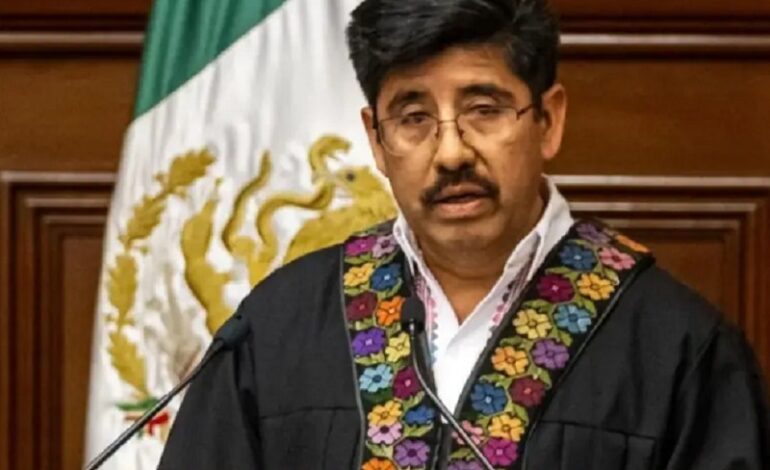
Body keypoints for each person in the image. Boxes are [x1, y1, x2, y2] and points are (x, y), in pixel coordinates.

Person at [158, 0, 770, 468]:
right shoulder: (274, 329)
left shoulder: (678, 346)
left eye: (484, 110)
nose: (451, 152)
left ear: (549, 120)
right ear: (376, 141)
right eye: (413, 117)